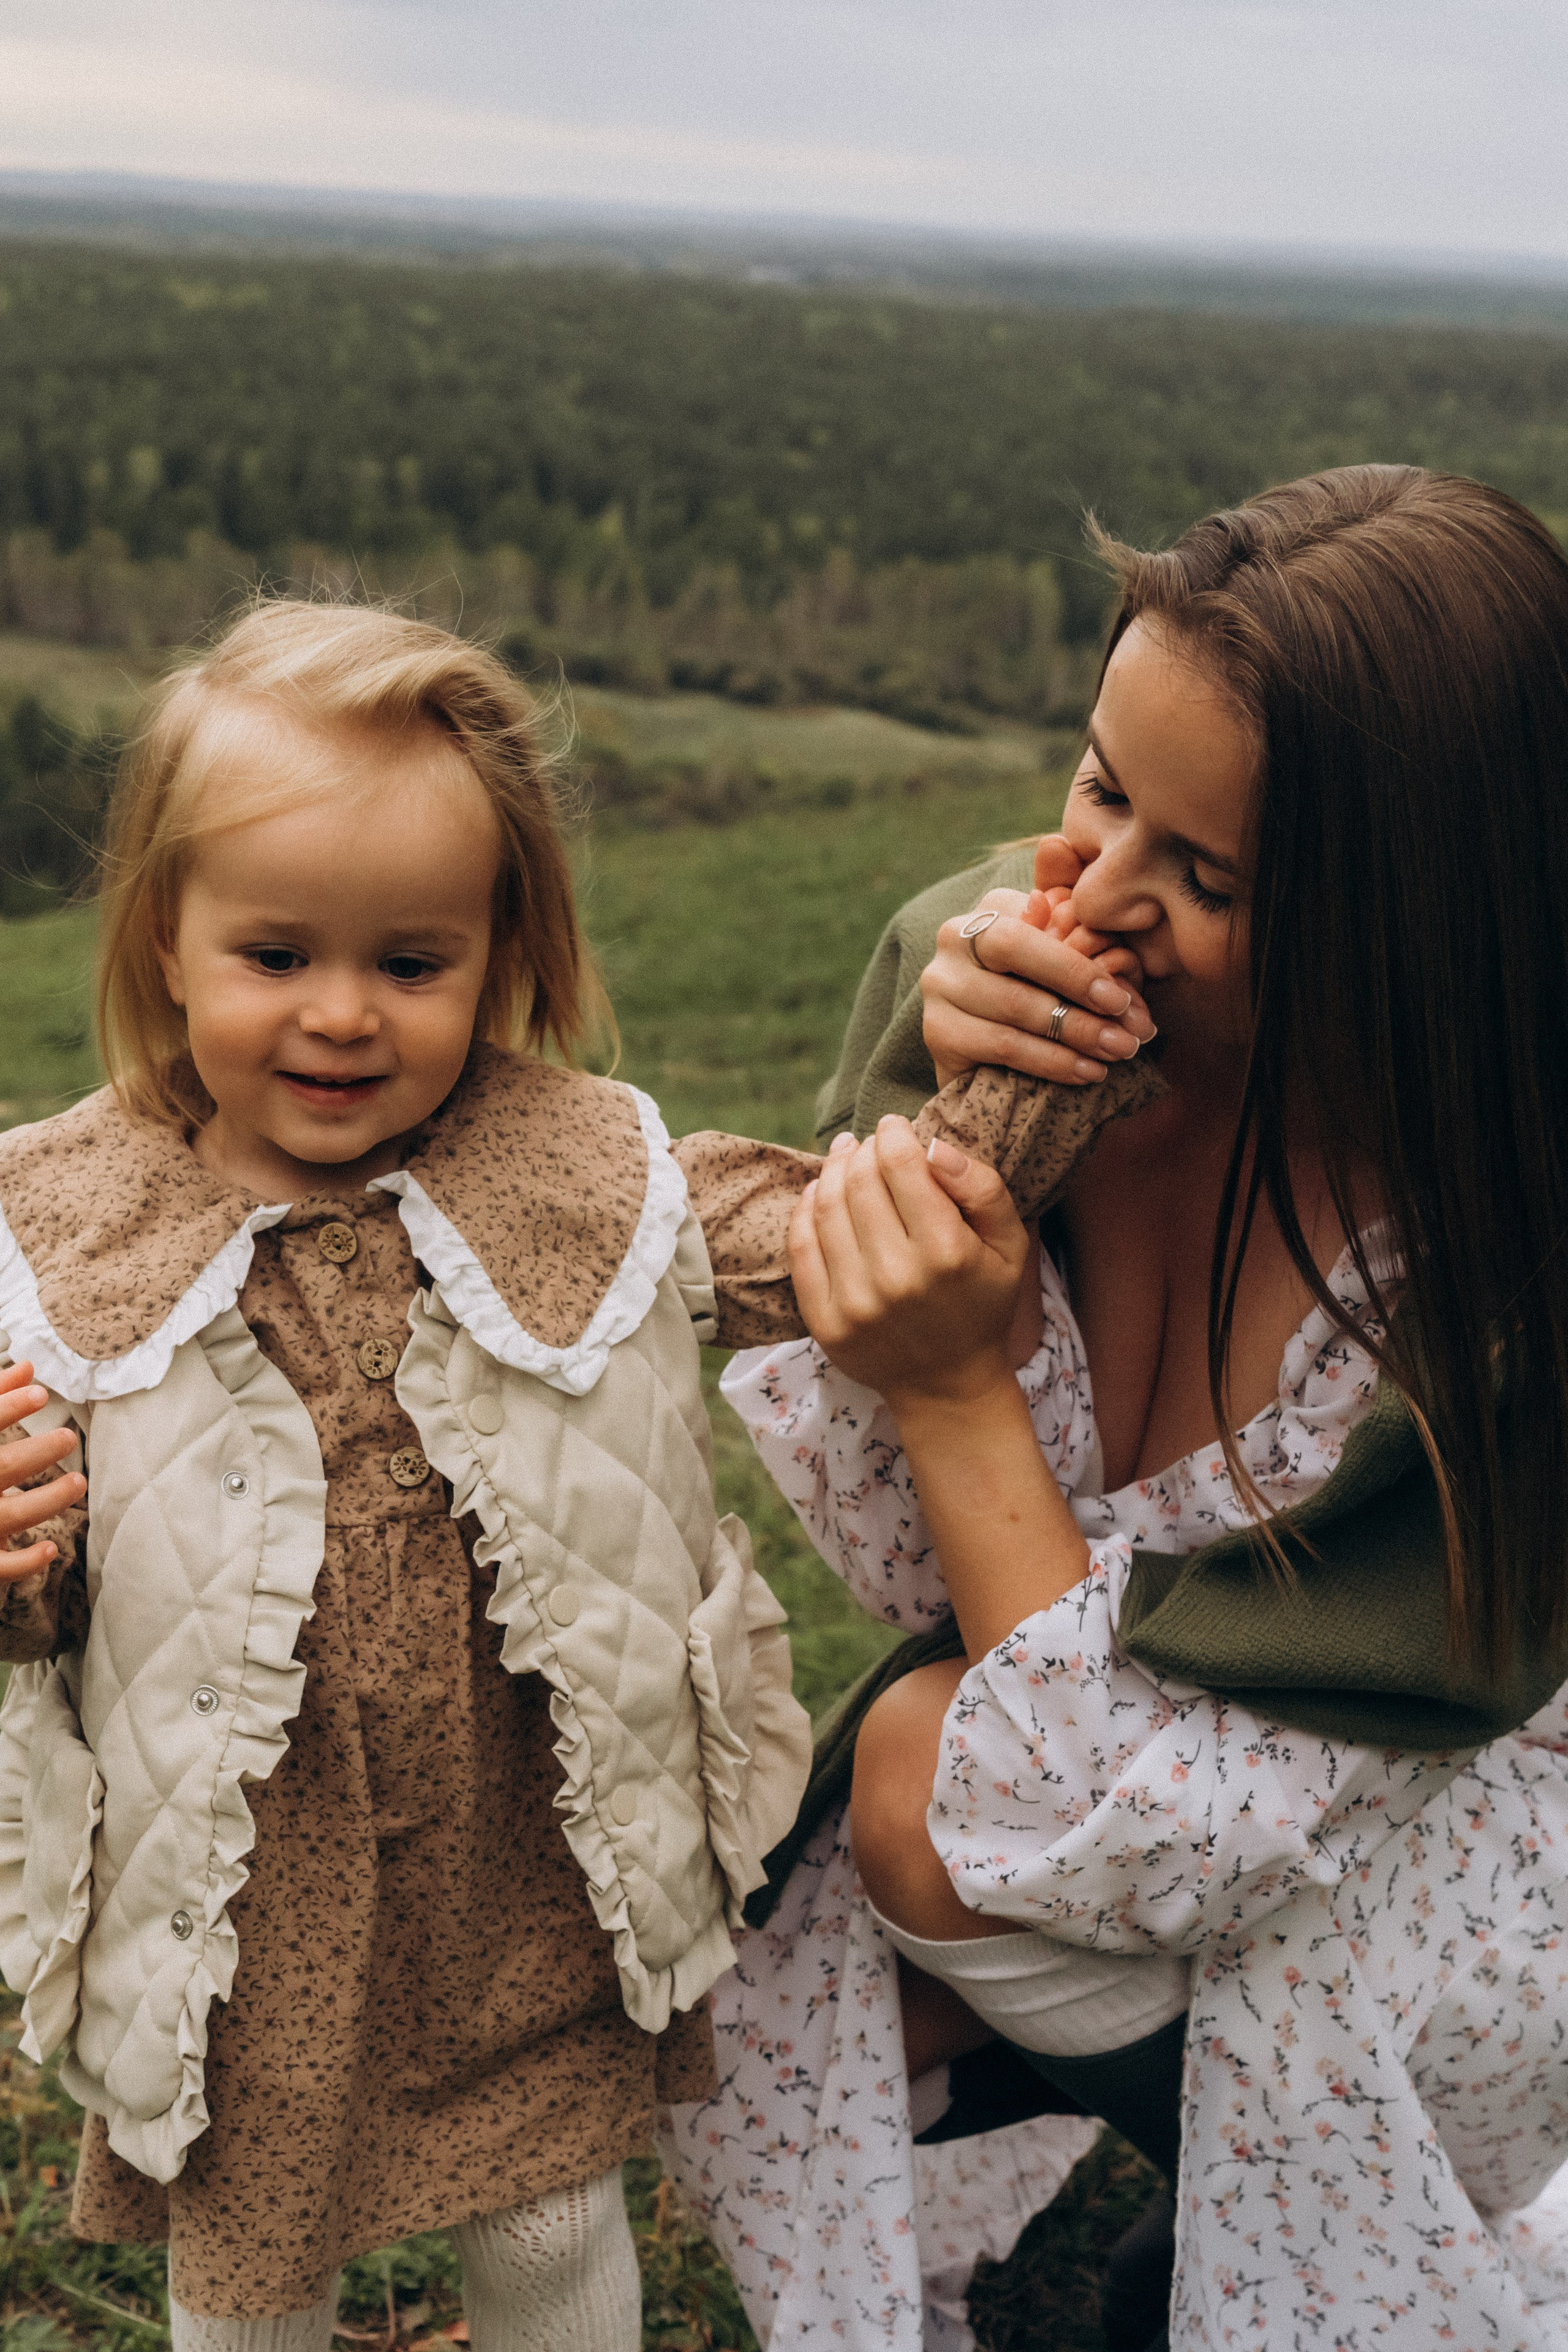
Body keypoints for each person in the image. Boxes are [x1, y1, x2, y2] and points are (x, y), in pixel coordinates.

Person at [662, 466, 1568, 2350]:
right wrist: (939, 1120)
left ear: (1424, 918)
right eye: (1097, 787)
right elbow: (907, 1555)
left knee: (924, 1783)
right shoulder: (1011, 994)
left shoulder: (1511, 1277)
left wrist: (955, 1385)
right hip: (1135, 1783)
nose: (1092, 898)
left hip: (1466, 1889)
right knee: (750, 1992)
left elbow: (1126, 1810)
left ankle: (1315, 2235)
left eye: (1213, 880)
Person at [0, 600, 818, 2352]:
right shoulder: (62, 1237)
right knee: (256, 2271)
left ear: (502, 952)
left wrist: (1023, 1046)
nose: (344, 1018)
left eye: (413, 962)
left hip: (518, 1857)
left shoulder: (585, 1172)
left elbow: (856, 1243)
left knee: (545, 2226)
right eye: (277, 955)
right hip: (245, 1888)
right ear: (164, 943)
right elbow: (48, 1596)